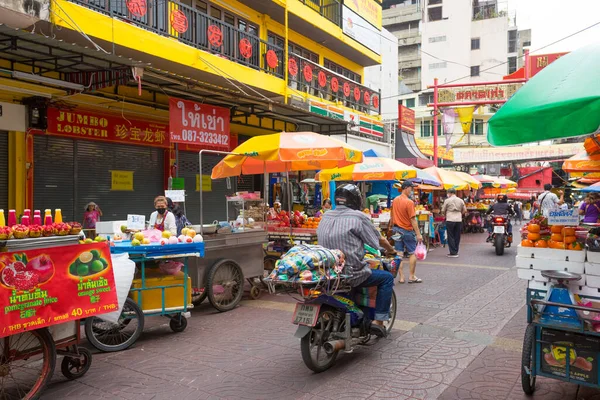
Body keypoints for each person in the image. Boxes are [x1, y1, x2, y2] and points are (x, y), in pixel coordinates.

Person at [317, 184, 396, 337]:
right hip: (351, 273)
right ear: (355, 200)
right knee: (386, 278)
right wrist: (391, 250)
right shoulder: (358, 217)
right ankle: (378, 322)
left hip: (327, 272)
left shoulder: (325, 215)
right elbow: (377, 241)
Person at [389, 181, 423, 284]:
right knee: (413, 253)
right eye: (411, 188)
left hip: (396, 229)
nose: (411, 190)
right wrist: (418, 234)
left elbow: (392, 215)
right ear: (406, 188)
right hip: (407, 230)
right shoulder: (409, 202)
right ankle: (412, 276)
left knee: (399, 254)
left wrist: (391, 227)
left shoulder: (395, 200)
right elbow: (413, 219)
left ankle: (402, 277)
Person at [441, 188, 466, 258]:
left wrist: (445, 214)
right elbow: (465, 210)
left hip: (450, 219)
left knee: (450, 236)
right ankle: (456, 251)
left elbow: (443, 210)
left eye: (448, 193)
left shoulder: (447, 200)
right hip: (458, 219)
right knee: (457, 236)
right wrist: (460, 213)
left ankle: (453, 252)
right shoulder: (461, 200)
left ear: (450, 193)